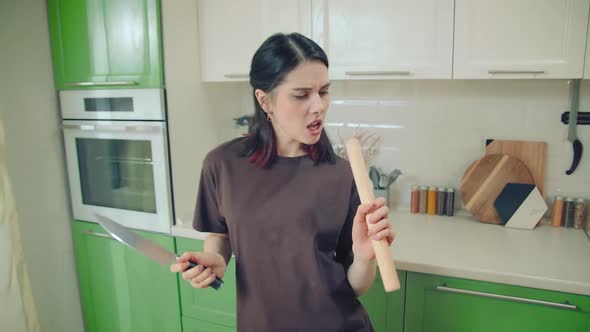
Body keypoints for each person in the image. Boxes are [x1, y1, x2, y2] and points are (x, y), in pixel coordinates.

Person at [170, 32, 394, 331]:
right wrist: (214, 260)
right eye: (302, 95)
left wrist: (366, 259)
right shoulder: (221, 165)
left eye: (324, 91)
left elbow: (353, 286)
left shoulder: (343, 175)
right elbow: (221, 235)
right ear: (265, 100)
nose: (319, 106)